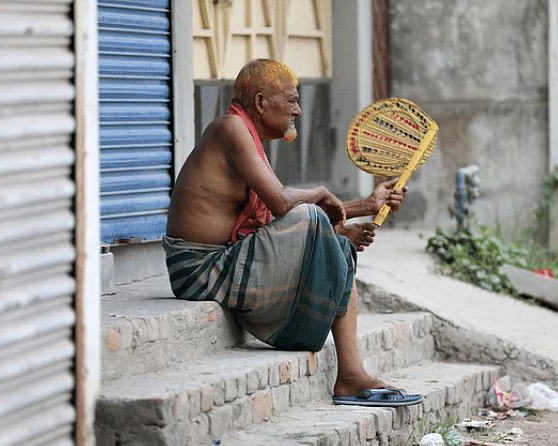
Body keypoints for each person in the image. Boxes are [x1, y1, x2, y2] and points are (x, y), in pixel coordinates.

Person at [163, 58, 421, 407]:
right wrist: (324, 201)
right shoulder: (230, 129)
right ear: (260, 103)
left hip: (225, 261)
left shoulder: (247, 136)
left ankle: (350, 374)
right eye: (291, 100)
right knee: (314, 217)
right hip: (198, 269)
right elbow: (286, 205)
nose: (298, 110)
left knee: (337, 246)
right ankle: (348, 372)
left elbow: (275, 214)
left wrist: (366, 206)